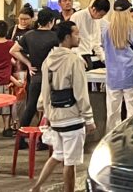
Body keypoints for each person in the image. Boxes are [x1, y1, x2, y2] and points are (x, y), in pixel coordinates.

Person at [31, 21, 95, 192]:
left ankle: (36, 187)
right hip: (72, 117)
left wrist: (46, 112)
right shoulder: (74, 60)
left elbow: (44, 91)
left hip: (55, 117)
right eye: (76, 33)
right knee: (70, 162)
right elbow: (81, 93)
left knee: (57, 155)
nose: (79, 36)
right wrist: (89, 118)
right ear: (67, 37)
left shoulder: (48, 60)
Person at [11, 8, 60, 133]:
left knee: (31, 106)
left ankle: (21, 135)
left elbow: (13, 50)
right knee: (49, 107)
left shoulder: (29, 35)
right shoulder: (55, 37)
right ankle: (43, 139)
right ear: (51, 21)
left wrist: (28, 63)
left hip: (35, 75)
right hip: (52, 76)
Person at [102, 0, 133, 130]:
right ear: (128, 10)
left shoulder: (106, 29)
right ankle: (130, 139)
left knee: (112, 113)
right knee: (132, 111)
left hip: (112, 76)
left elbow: (104, 48)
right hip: (131, 74)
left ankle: (110, 141)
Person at [72, 0, 111, 69]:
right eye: (100, 15)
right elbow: (71, 40)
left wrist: (103, 59)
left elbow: (96, 43)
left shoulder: (97, 20)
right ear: (94, 9)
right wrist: (78, 57)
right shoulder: (77, 16)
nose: (101, 17)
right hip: (77, 55)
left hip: (88, 55)